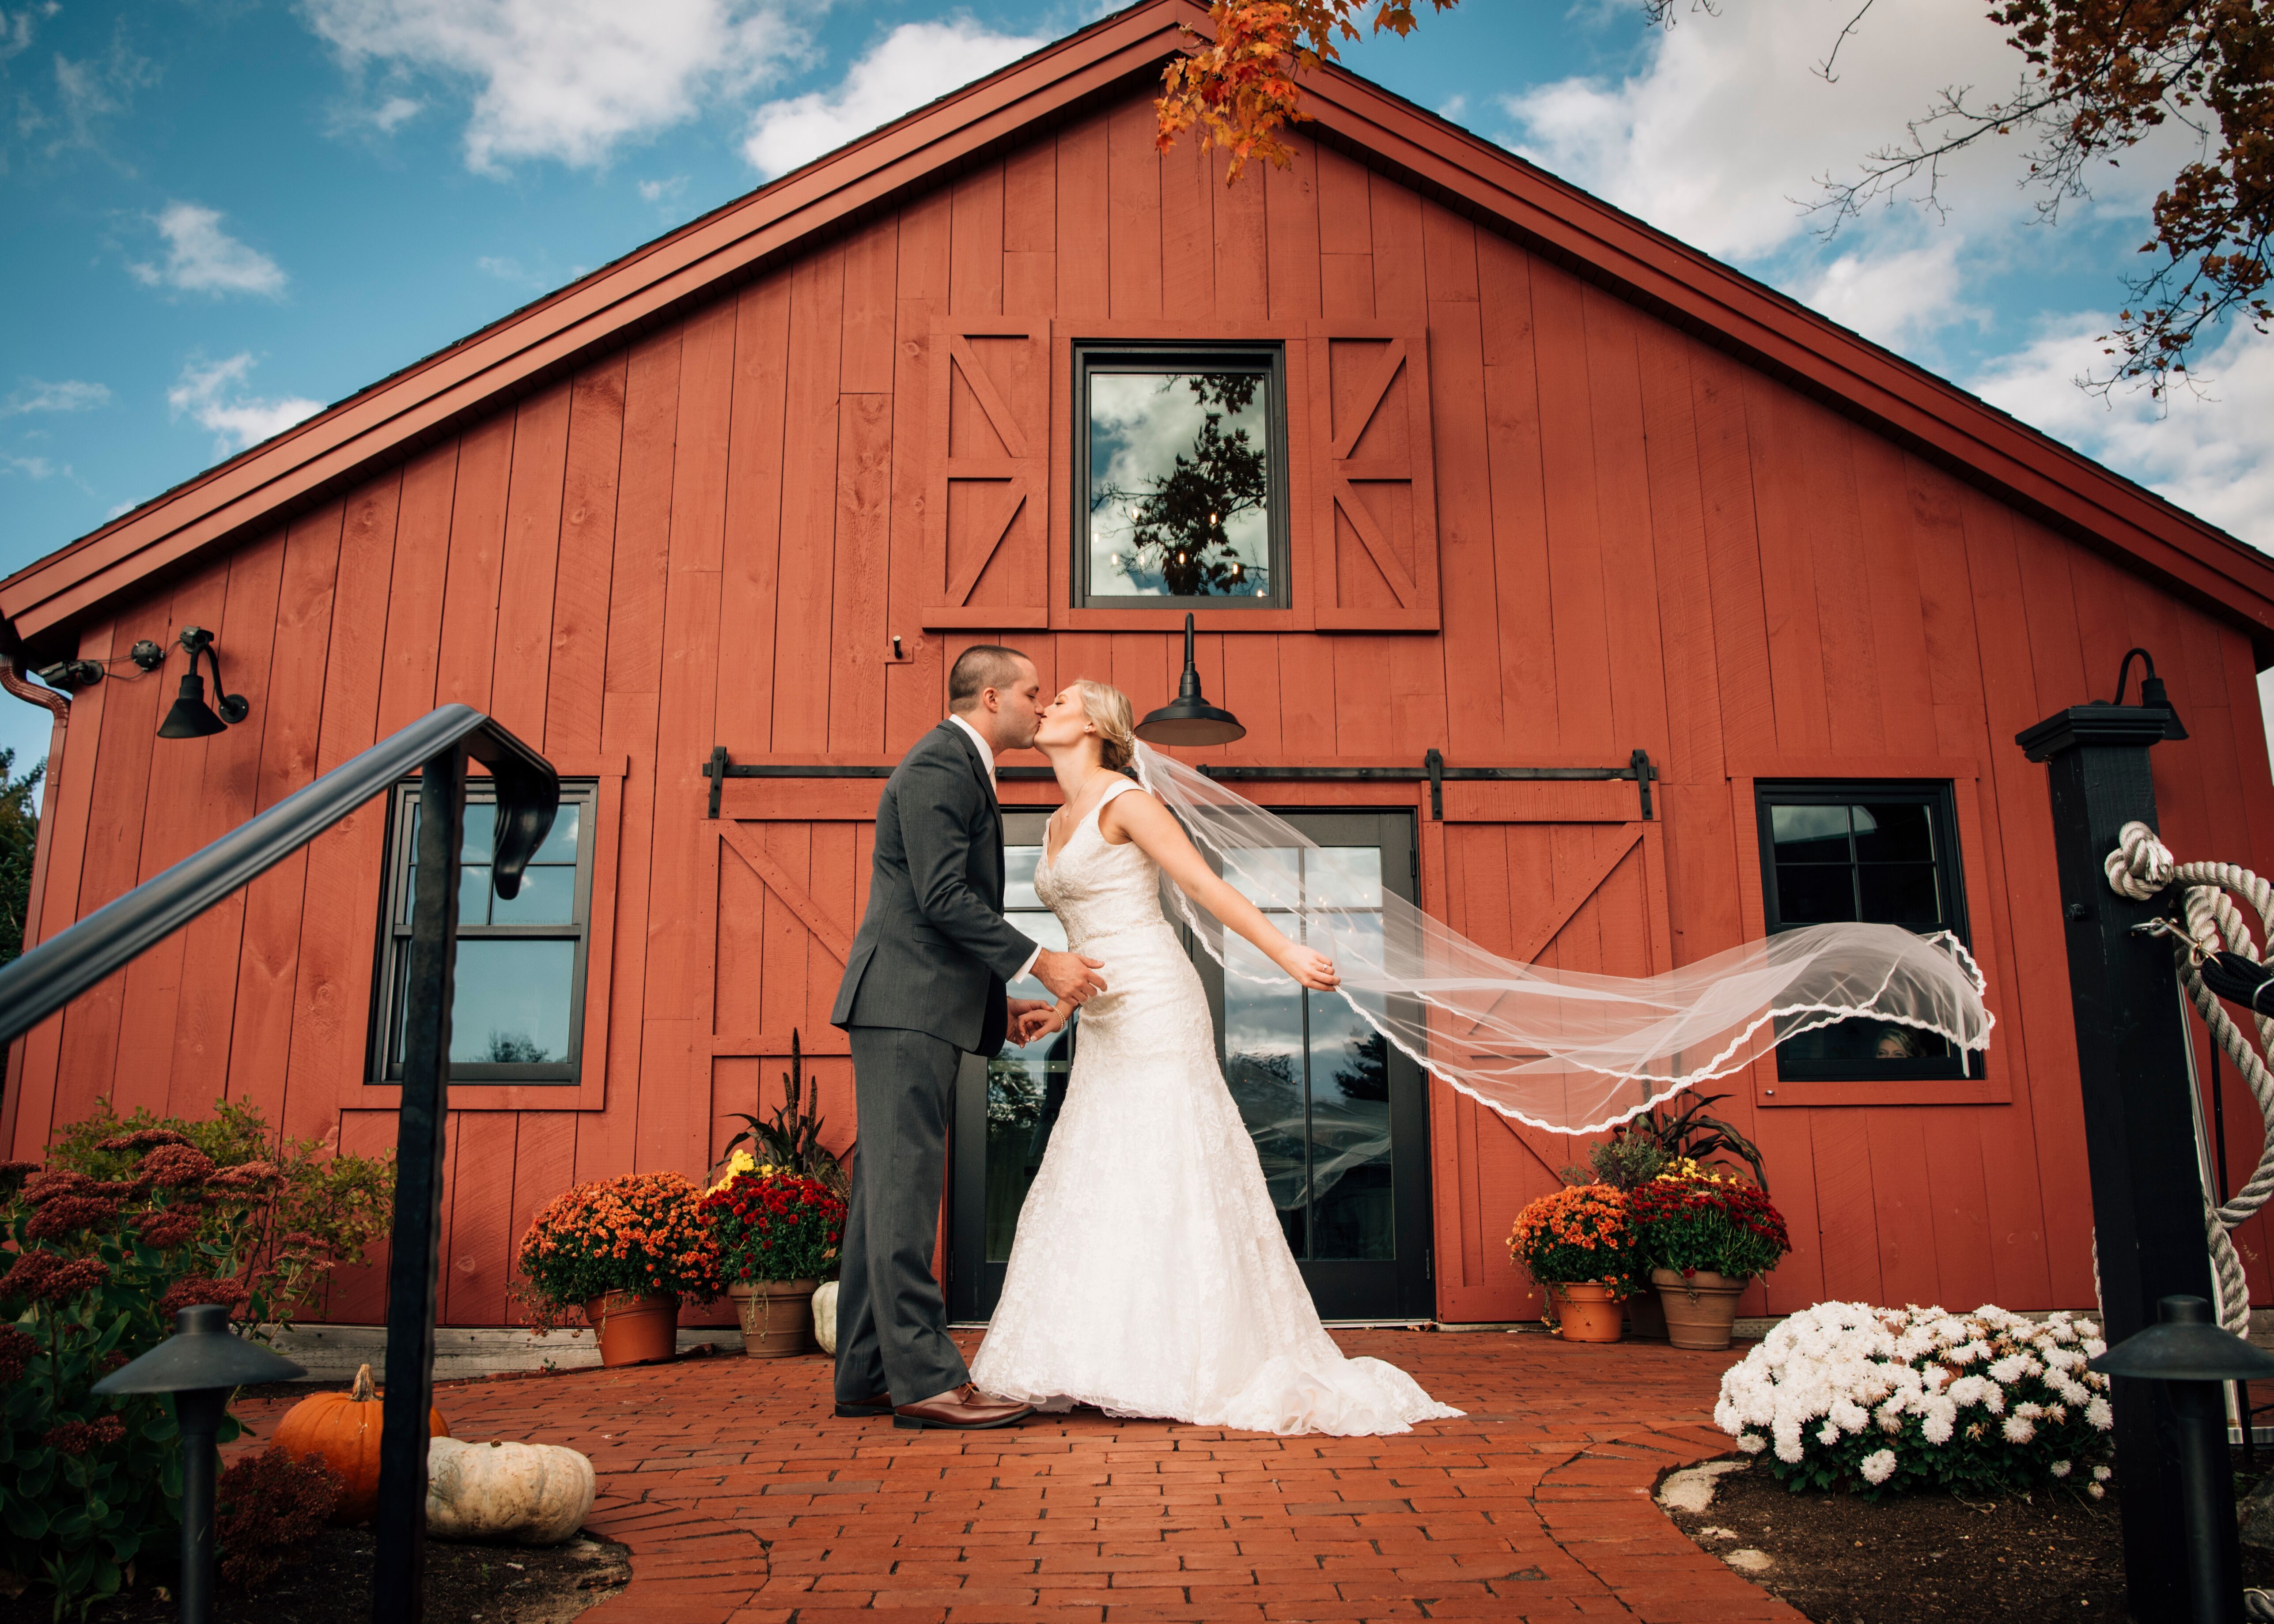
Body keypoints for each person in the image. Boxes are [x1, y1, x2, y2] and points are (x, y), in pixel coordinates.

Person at [966, 679, 1460, 1435]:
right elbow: (1095, 933)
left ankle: (1192, 1357)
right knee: (1102, 1162)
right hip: (1101, 1012)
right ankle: (1099, 1355)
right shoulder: (1056, 818)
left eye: (1059, 701)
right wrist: (1062, 1005)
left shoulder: (1126, 801)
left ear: (1097, 725)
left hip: (1159, 1005)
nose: (1044, 708)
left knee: (1169, 1157)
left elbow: (1199, 884)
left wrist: (1285, 948)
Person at [829, 646, 1108, 1431]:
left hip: (920, 1005)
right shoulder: (939, 765)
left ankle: (867, 1374)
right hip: (901, 1008)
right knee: (906, 1195)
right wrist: (1041, 960)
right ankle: (925, 1381)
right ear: (991, 698)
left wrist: (1001, 1004)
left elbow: (937, 915)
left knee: (882, 1198)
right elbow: (942, 895)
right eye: (1031, 692)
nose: (1040, 702)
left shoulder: (962, 765)